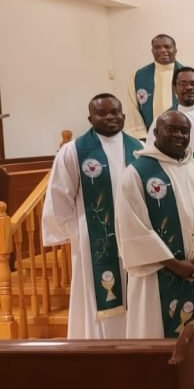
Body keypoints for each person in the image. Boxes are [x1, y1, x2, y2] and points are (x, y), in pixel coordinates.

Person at [42, 94, 143, 339]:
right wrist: (78, 233)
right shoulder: (73, 150)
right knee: (95, 293)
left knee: (136, 291)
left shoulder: (139, 148)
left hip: (135, 234)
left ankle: (136, 340)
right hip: (93, 238)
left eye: (115, 112)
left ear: (123, 115)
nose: (110, 117)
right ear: (90, 118)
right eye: (102, 113)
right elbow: (60, 195)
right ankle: (96, 345)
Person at [115, 110, 194, 338]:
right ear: (155, 133)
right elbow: (133, 227)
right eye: (171, 129)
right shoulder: (137, 173)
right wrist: (174, 264)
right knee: (154, 337)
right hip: (156, 275)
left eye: (184, 131)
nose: (179, 135)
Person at [124, 34, 189, 139]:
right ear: (152, 51)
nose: (162, 50)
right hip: (149, 138)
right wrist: (142, 137)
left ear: (175, 50)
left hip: (180, 136)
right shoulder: (138, 76)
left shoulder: (187, 74)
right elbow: (133, 109)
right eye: (157, 47)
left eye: (167, 47)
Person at [145, 68, 194, 153]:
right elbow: (151, 149)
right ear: (174, 88)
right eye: (183, 84)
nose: (189, 88)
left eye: (193, 84)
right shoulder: (163, 118)